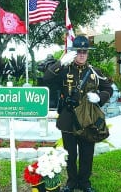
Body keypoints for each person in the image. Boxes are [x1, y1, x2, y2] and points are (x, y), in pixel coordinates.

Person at [43, 35, 113, 192]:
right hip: (68, 118)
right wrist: (60, 62)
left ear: (88, 53)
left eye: (84, 51)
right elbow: (46, 78)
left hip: (88, 120)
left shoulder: (95, 72)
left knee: (87, 153)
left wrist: (99, 98)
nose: (82, 54)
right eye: (78, 51)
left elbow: (108, 89)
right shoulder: (64, 69)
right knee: (70, 155)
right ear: (74, 52)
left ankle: (85, 183)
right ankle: (71, 182)